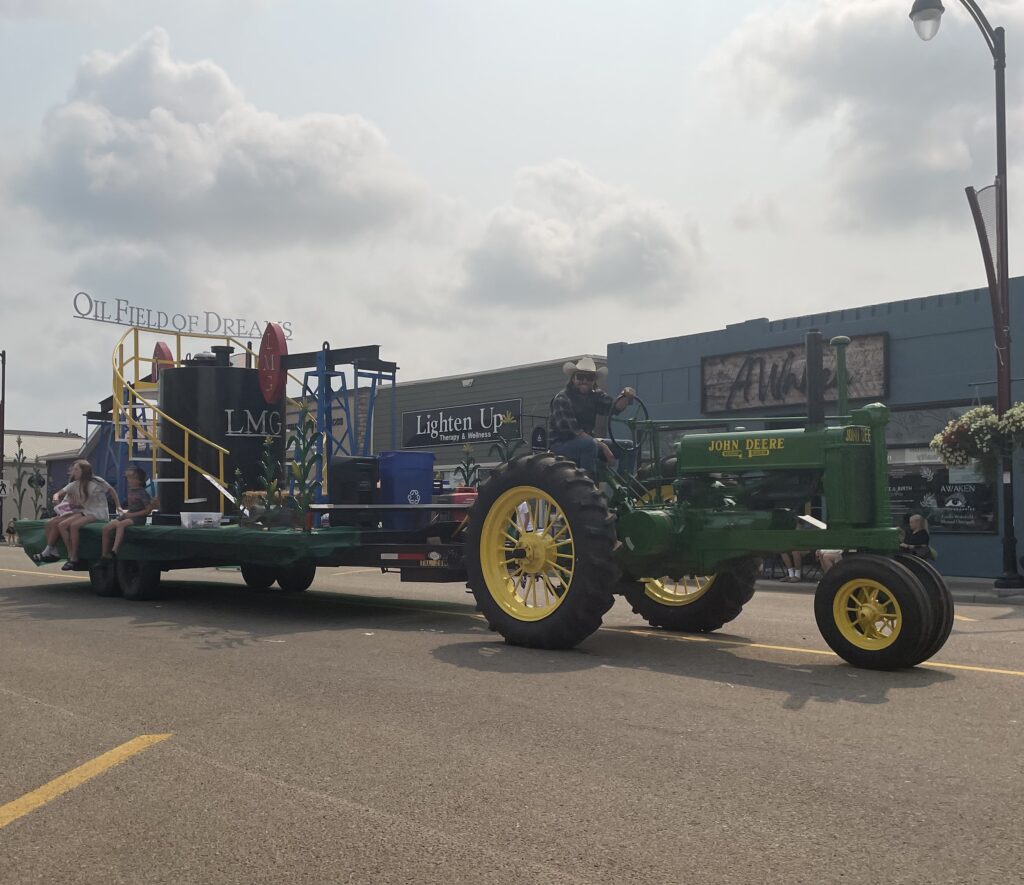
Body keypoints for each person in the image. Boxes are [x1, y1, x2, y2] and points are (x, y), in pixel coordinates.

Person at [548, 357, 636, 475]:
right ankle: (588, 485)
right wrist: (603, 447)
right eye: (580, 377)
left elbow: (615, 407)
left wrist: (626, 396)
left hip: (587, 441)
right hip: (561, 445)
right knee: (589, 445)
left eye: (589, 378)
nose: (584, 381)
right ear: (573, 378)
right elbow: (575, 432)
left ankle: (625, 487)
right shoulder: (562, 398)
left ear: (594, 380)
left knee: (628, 447)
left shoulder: (596, 395)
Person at [34, 460, 120, 570]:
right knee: (62, 525)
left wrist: (118, 506)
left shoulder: (97, 482)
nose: (74, 472)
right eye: (74, 469)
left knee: (74, 526)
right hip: (85, 511)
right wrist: (56, 497)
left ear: (84, 471)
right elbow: (60, 492)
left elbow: (111, 490)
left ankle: (74, 557)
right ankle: (69, 554)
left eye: (76, 469)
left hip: (98, 512)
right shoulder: (75, 484)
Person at [101, 466, 156, 559]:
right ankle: (104, 553)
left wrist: (132, 515)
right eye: (128, 478)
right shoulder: (131, 490)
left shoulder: (143, 493)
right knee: (107, 528)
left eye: (131, 478)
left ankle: (115, 550)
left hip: (138, 518)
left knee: (121, 525)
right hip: (129, 514)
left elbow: (147, 510)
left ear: (139, 481)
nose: (129, 480)